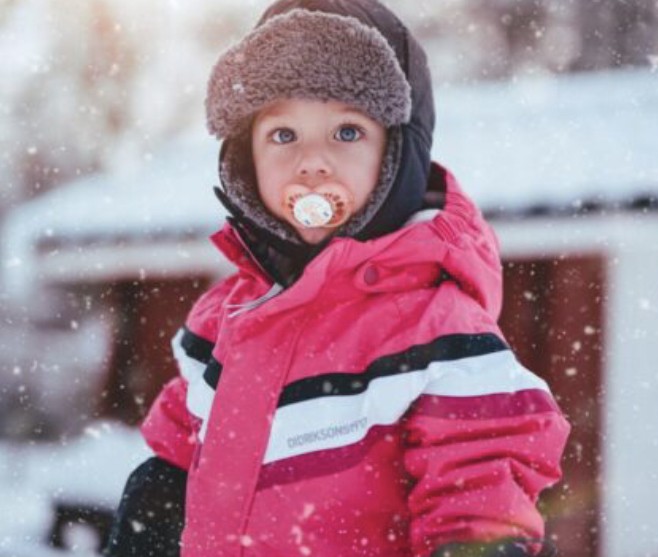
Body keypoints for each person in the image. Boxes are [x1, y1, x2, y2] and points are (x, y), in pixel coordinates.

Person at [105, 1, 570, 556]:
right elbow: (187, 436)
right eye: (283, 135)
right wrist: (160, 492)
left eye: (346, 131)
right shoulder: (225, 316)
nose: (312, 162)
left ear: (397, 153)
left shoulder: (436, 331)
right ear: (244, 159)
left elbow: (477, 478)